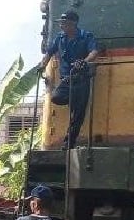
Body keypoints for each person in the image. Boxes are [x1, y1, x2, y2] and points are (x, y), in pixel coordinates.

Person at [39, 9, 98, 148]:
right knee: (56, 97)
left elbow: (94, 51)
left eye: (64, 23)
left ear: (73, 24)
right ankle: (73, 100)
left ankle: (69, 143)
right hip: (67, 80)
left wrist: (84, 61)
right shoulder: (59, 38)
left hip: (82, 79)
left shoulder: (86, 36)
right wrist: (42, 66)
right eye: (61, 23)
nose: (61, 26)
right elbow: (49, 52)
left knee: (77, 115)